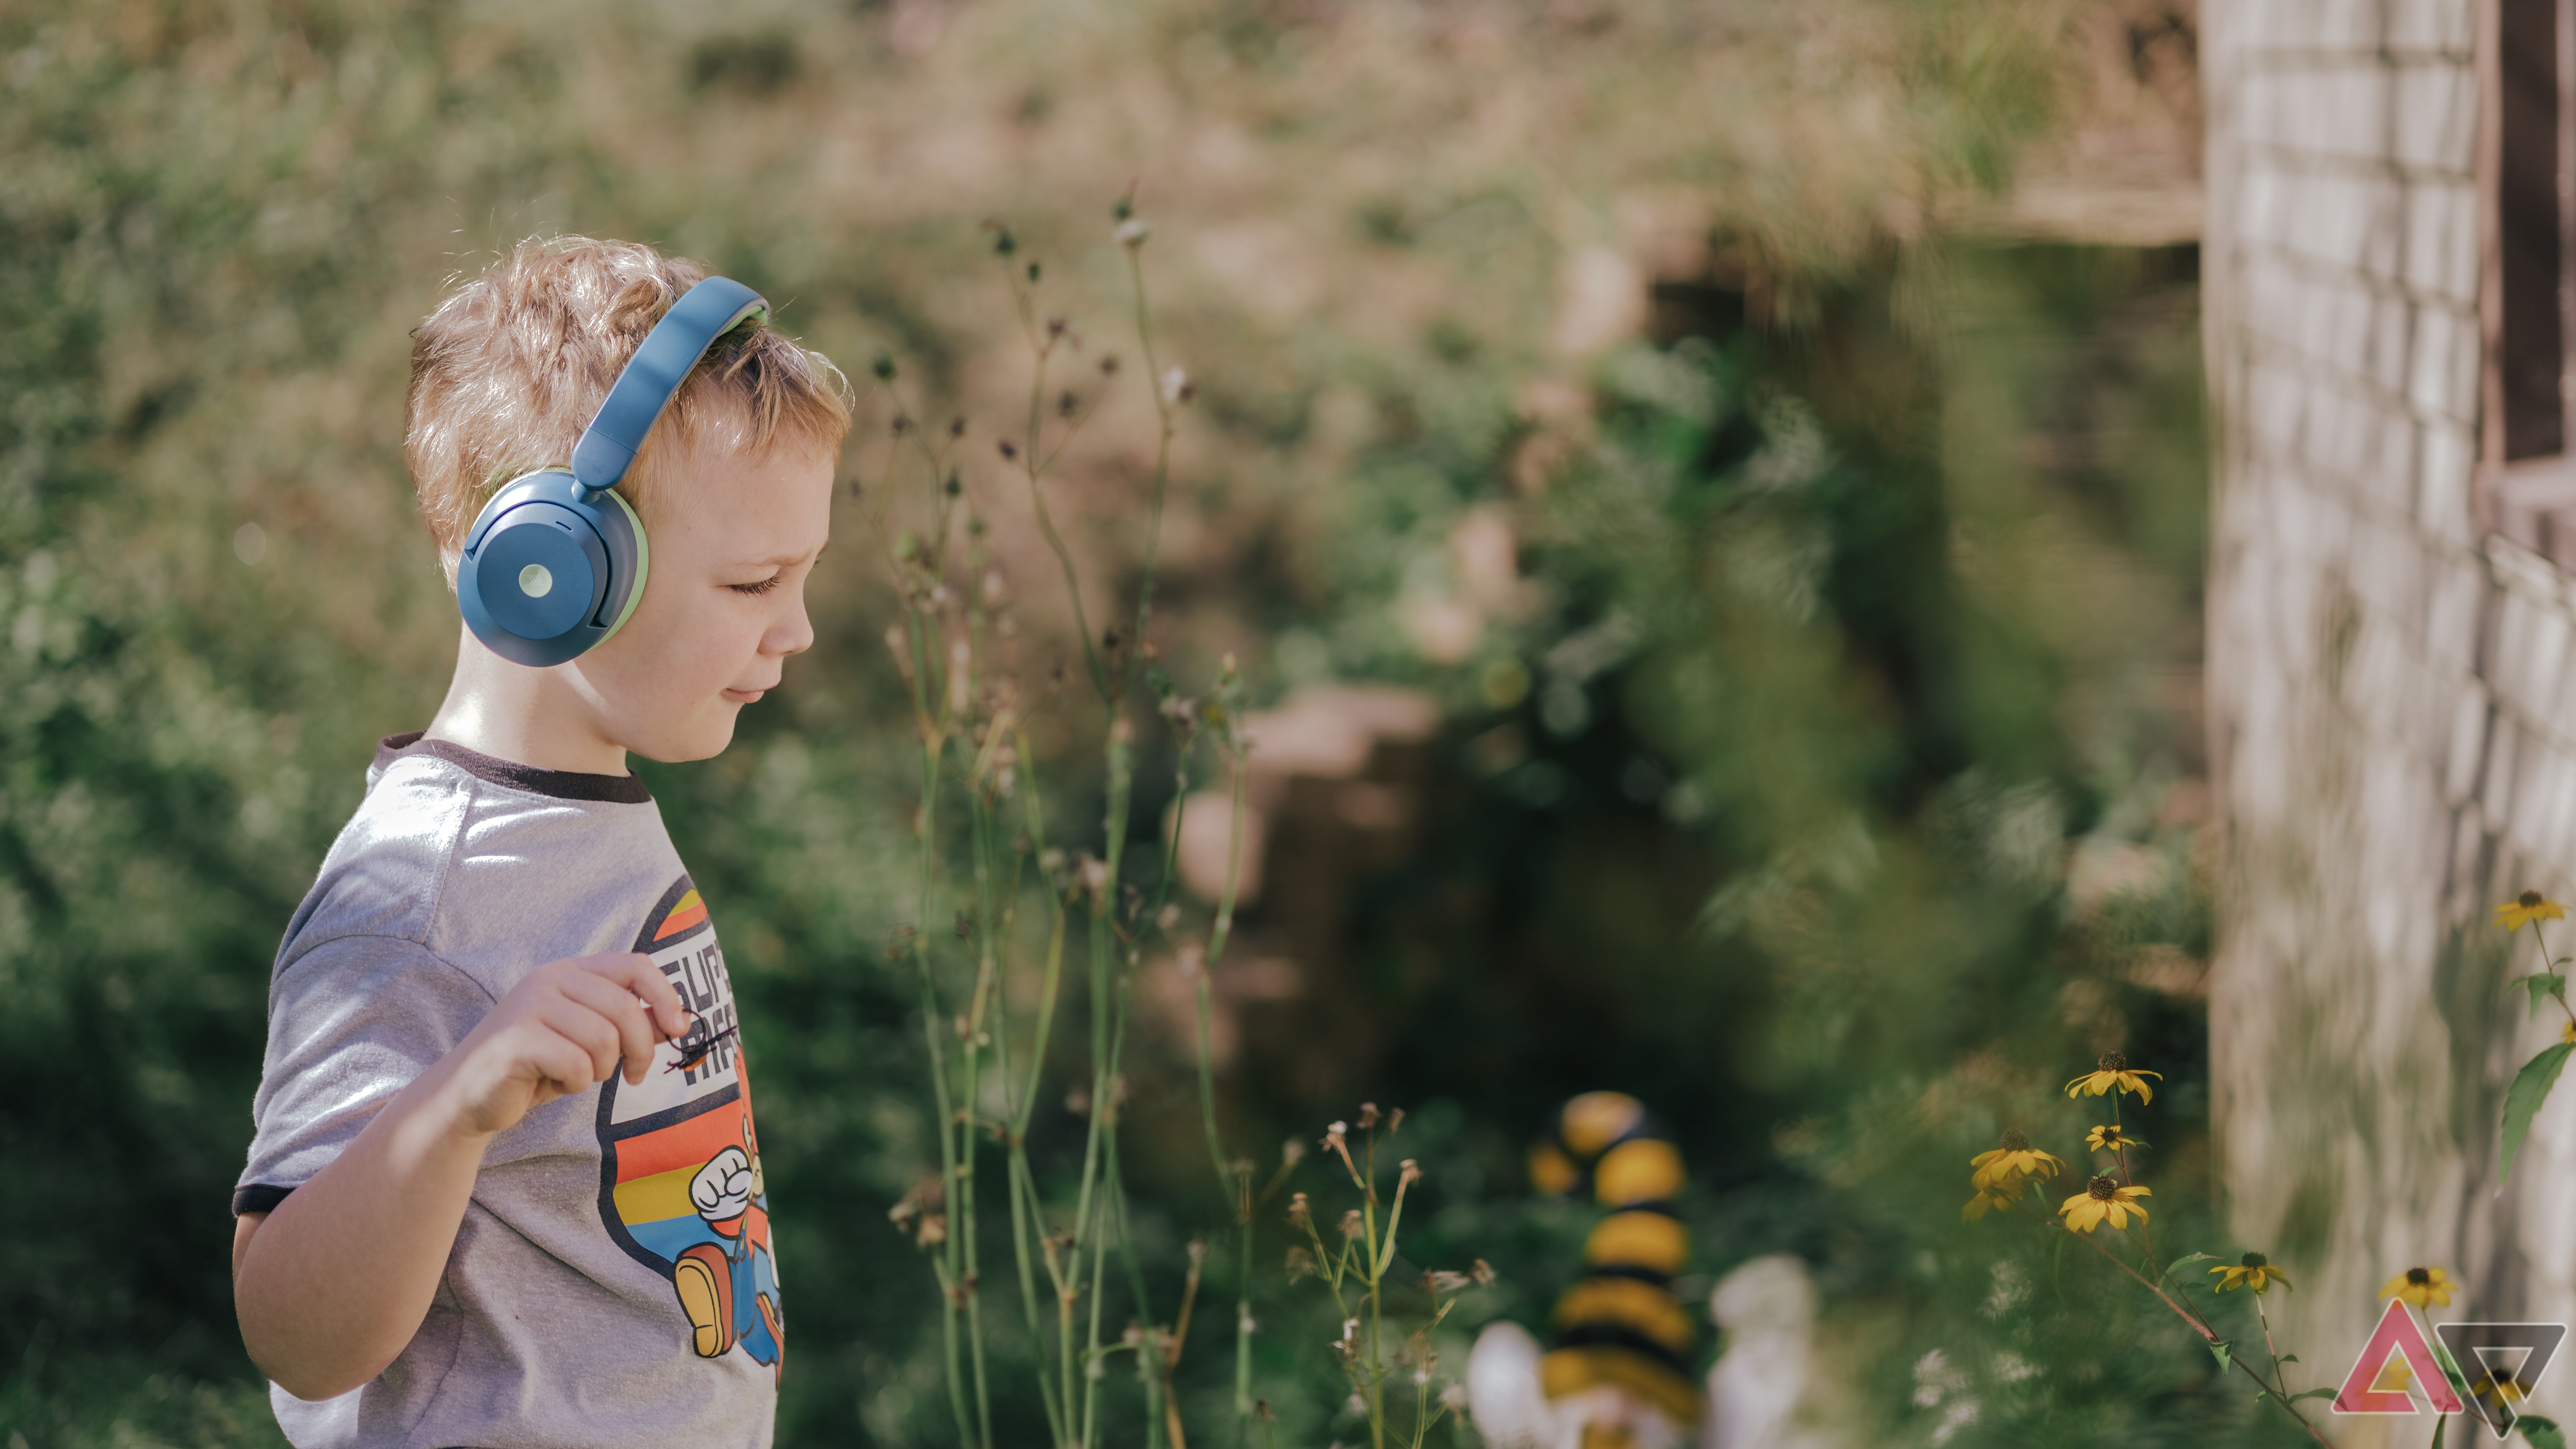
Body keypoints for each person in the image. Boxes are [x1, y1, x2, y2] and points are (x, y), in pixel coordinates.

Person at [228, 236, 850, 1448]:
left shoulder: (581, 816)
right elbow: (290, 1328)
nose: (801, 630)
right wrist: (458, 1100)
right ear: (552, 573)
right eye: (753, 584)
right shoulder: (418, 900)